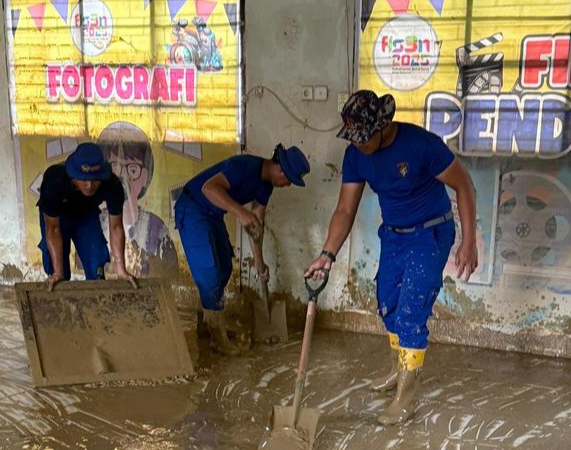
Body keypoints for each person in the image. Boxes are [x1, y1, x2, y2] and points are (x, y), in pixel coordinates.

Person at [305, 90, 478, 426]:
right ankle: (398, 368)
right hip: (394, 236)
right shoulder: (355, 155)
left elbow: (465, 185)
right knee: (388, 305)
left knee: (412, 313)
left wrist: (469, 242)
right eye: (353, 138)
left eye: (364, 137)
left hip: (430, 233)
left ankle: (408, 396)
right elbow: (344, 208)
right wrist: (327, 254)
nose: (358, 144)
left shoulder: (421, 144)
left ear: (383, 126)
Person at [175, 143, 310, 356]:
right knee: (209, 271)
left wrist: (259, 261)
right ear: (280, 169)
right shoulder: (243, 166)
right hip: (193, 208)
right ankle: (217, 339)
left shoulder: (267, 186)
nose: (287, 185)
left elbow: (256, 225)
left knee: (225, 266)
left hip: (213, 215)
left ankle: (206, 323)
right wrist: (240, 212)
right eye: (288, 180)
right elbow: (208, 189)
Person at [37, 142, 135, 288]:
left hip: (86, 215)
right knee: (59, 275)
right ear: (73, 176)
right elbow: (53, 228)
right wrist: (57, 272)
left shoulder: (112, 185)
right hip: (58, 219)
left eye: (95, 179)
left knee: (96, 266)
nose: (90, 186)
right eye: (84, 179)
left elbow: (116, 228)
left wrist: (121, 270)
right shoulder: (54, 181)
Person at [97, 122, 178, 277]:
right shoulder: (95, 223)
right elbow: (82, 275)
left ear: (145, 177)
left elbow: (170, 278)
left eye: (133, 169)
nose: (124, 178)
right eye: (115, 167)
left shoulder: (157, 228)